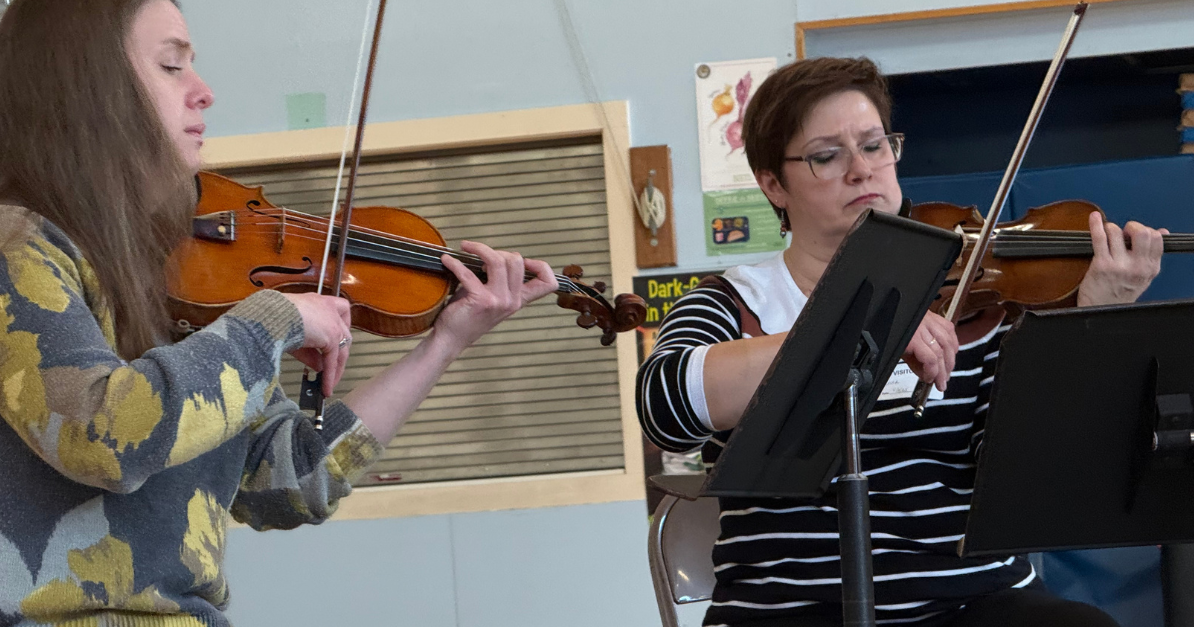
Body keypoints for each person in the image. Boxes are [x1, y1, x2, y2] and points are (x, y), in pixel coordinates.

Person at [0, 0, 559, 625]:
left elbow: (287, 483)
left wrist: (443, 344)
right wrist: (275, 321)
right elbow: (101, 436)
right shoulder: (18, 246)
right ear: (86, 84)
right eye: (171, 66)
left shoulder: (176, 273)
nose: (204, 92)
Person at [637, 56, 1167, 627]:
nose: (862, 170)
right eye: (826, 156)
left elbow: (1029, 465)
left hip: (973, 602)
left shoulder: (973, 306)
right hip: (793, 608)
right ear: (773, 184)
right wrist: (854, 331)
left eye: (873, 145)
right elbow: (665, 407)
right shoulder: (732, 303)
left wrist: (1093, 316)